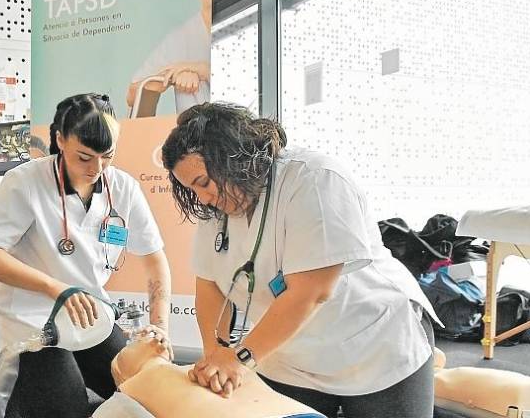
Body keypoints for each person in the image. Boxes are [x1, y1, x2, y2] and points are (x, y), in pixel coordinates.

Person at [161, 103, 439, 418]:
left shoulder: (315, 179)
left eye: (203, 183)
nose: (202, 198)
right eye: (191, 189)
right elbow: (209, 284)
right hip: (287, 356)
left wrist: (238, 360)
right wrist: (216, 353)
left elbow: (312, 290)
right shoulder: (218, 205)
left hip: (373, 346)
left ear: (231, 158)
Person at [0, 93, 172, 418]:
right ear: (60, 139)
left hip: (88, 313)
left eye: (107, 156)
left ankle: (60, 364)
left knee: (149, 393)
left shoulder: (124, 187)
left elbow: (154, 259)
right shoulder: (25, 182)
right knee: (68, 411)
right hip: (30, 317)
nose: (97, 168)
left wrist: (160, 327)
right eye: (84, 157)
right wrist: (55, 287)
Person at [94, 335, 323, 418]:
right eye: (130, 344)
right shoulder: (132, 390)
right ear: (122, 374)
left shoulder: (209, 369)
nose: (147, 334)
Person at [126, 0, 211, 116]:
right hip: (193, 134)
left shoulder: (249, 13)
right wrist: (169, 77)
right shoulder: (179, 39)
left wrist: (202, 70)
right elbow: (132, 97)